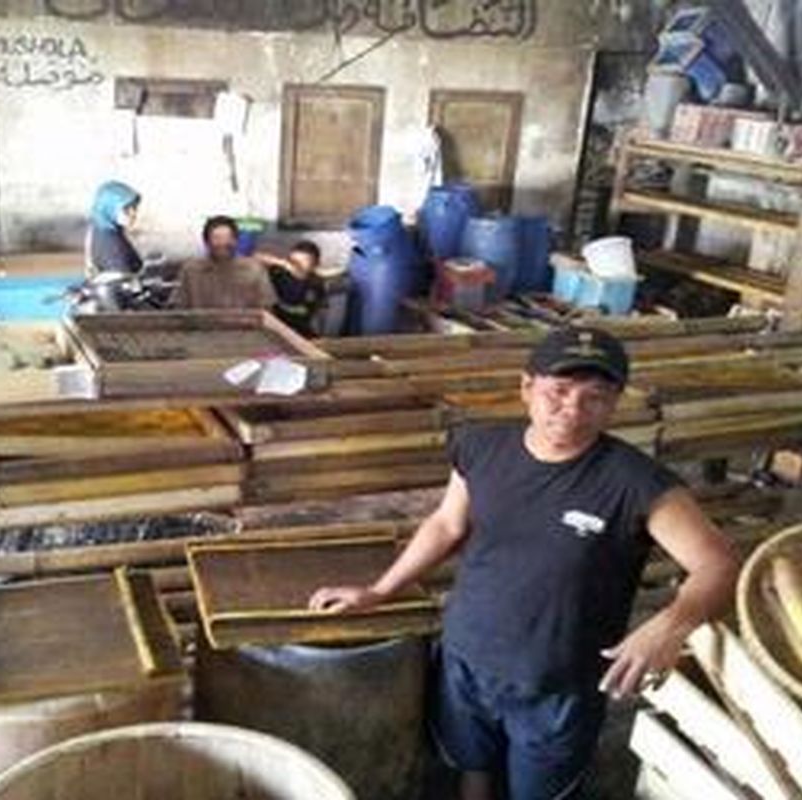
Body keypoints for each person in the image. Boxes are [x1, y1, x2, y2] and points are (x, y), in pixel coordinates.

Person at [309, 327, 738, 800]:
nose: (572, 410)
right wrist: (380, 590)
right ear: (526, 388)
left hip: (557, 684)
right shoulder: (481, 448)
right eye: (558, 391)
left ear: (614, 404)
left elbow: (717, 564)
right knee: (470, 769)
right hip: (467, 659)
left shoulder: (635, 483)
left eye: (595, 398)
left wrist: (668, 626)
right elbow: (448, 525)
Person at [172, 215, 277, 310]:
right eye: (217, 239)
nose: (222, 243)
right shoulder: (190, 271)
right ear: (206, 242)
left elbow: (266, 309)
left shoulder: (254, 270)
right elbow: (178, 309)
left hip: (243, 330)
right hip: (202, 329)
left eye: (227, 239)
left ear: (236, 240)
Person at [257, 240, 325, 336]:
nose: (297, 265)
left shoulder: (315, 283)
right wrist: (283, 263)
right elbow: (256, 257)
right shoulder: (281, 273)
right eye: (293, 261)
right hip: (276, 325)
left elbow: (314, 311)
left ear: (315, 264)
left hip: (300, 328)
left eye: (304, 261)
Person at [85, 180, 143, 277]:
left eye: (134, 207)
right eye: (126, 209)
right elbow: (125, 286)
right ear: (110, 208)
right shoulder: (114, 251)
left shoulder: (100, 227)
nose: (133, 214)